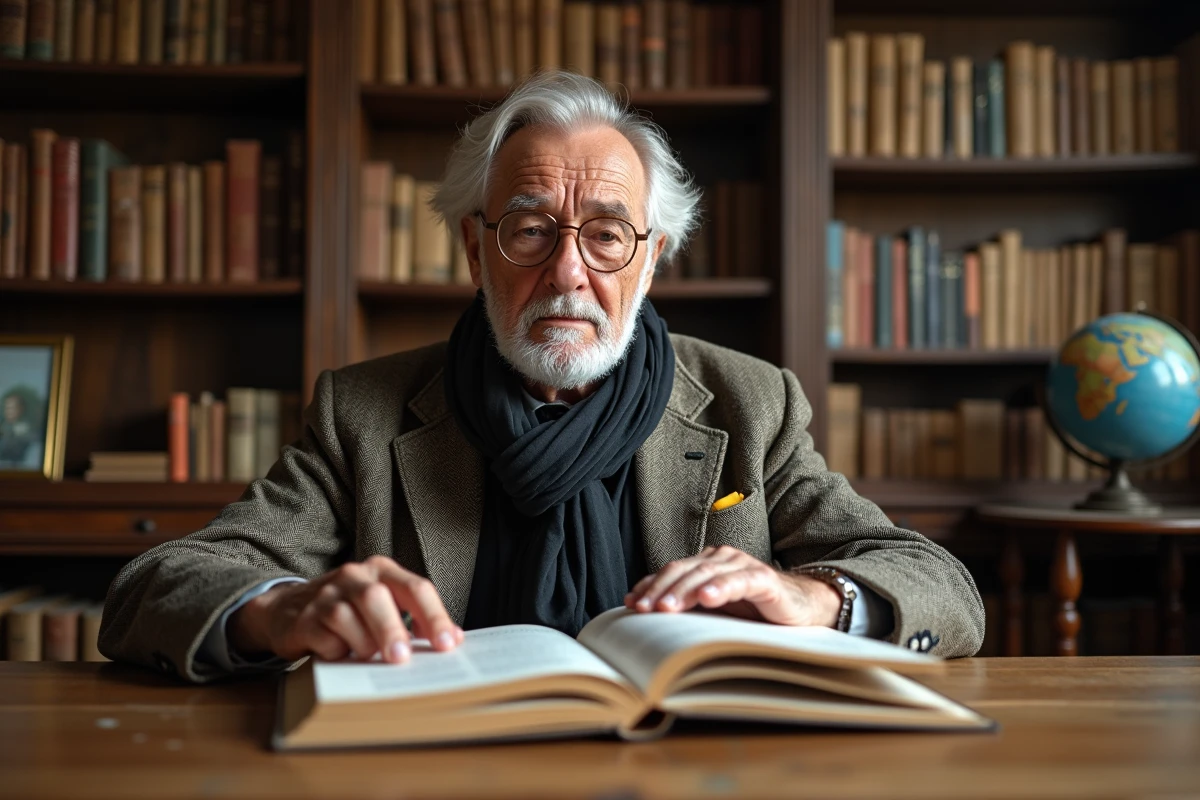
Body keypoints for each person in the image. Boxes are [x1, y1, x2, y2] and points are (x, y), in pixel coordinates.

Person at [99, 71, 984, 682]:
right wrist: (278, 611)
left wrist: (812, 597)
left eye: (605, 234)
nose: (568, 272)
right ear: (475, 251)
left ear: (651, 259)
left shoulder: (753, 403)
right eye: (529, 230)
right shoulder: (362, 413)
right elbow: (155, 587)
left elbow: (937, 585)